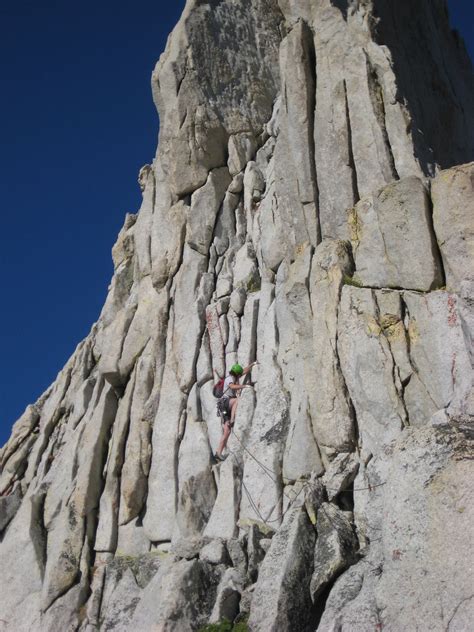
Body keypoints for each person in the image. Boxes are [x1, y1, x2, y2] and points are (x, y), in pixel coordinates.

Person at [215, 361, 257, 461]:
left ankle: (218, 453)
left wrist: (252, 364)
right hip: (225, 403)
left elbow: (244, 371)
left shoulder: (234, 377)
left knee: (227, 431)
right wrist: (245, 386)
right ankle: (232, 419)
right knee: (236, 401)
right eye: (239, 374)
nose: (240, 376)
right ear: (236, 374)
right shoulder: (229, 379)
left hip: (225, 405)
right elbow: (232, 386)